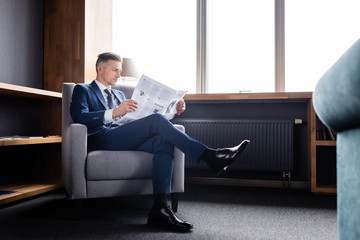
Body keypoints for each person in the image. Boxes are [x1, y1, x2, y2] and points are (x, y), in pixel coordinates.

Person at [70, 52, 250, 232]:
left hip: (122, 135)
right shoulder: (83, 90)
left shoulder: (118, 94)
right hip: (101, 137)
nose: (118, 74)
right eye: (115, 70)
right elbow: (79, 117)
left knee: (163, 141)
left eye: (120, 70)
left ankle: (160, 208)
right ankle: (210, 156)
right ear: (100, 68)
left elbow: (138, 119)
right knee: (156, 120)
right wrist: (115, 112)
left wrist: (173, 112)